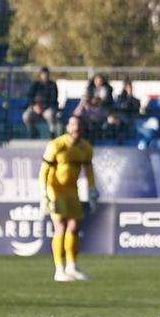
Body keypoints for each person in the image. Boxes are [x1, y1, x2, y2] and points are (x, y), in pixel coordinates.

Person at [39, 115, 97, 282]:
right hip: (54, 190)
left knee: (73, 227)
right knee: (60, 226)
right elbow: (44, 171)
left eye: (78, 126)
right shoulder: (56, 145)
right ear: (67, 127)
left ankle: (71, 266)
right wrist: (44, 193)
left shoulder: (85, 148)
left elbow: (89, 172)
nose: (75, 129)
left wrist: (92, 191)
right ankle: (59, 270)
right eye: (72, 125)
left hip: (72, 191)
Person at [23, 66, 58, 138]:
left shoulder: (52, 85)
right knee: (26, 116)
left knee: (50, 114)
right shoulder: (35, 84)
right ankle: (33, 131)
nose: (45, 76)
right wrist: (34, 106)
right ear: (40, 75)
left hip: (47, 108)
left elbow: (53, 99)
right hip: (35, 108)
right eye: (43, 74)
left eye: (46, 74)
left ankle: (52, 133)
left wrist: (44, 107)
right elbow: (30, 97)